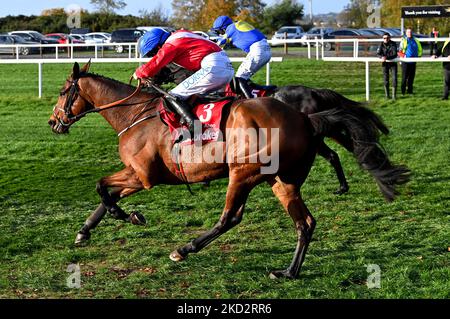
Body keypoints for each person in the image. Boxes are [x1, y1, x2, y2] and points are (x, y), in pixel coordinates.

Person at [133, 28, 234, 135]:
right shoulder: (181, 35)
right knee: (192, 94)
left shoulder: (172, 43)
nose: (153, 55)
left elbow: (158, 60)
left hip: (214, 68)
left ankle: (193, 126)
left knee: (171, 96)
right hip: (226, 68)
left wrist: (139, 73)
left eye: (153, 52)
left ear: (158, 45)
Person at [211, 15, 272, 98]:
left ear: (224, 28)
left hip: (258, 50)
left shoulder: (231, 28)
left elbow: (219, 43)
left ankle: (250, 102)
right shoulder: (238, 25)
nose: (220, 34)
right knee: (244, 78)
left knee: (240, 77)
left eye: (220, 32)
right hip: (265, 49)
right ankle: (266, 90)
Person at [398, 28, 422, 95]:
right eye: (408, 32)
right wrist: (403, 56)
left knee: (411, 77)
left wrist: (419, 56)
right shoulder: (403, 41)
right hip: (405, 62)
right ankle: (403, 92)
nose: (409, 33)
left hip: (413, 61)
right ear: (406, 33)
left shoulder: (416, 40)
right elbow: (399, 51)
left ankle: (410, 91)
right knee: (404, 77)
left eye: (410, 32)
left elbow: (420, 49)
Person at [377, 33, 398, 99]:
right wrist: (381, 57)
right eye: (384, 38)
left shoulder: (393, 44)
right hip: (385, 64)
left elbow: (395, 54)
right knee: (386, 79)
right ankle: (387, 95)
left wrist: (386, 57)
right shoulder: (381, 44)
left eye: (387, 38)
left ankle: (393, 96)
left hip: (393, 63)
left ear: (390, 38)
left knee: (394, 79)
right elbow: (378, 53)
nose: (386, 39)